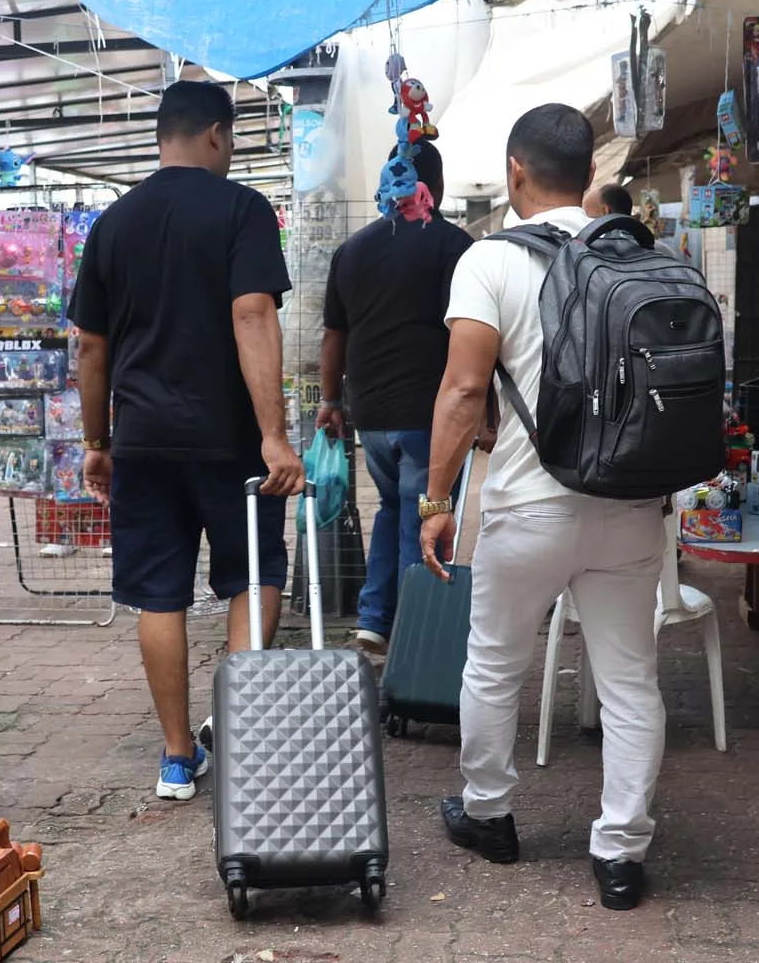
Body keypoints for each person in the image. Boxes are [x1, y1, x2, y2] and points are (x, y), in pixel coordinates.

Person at [419, 104, 667, 911]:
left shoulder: (489, 262)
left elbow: (462, 391)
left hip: (528, 507)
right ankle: (621, 853)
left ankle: (489, 815)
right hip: (628, 504)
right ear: (589, 173)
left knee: (494, 666)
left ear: (515, 171)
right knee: (629, 683)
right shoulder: (635, 257)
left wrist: (434, 499)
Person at [69, 80, 303, 802]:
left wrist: (97, 441)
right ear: (216, 136)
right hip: (229, 438)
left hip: (141, 439)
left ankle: (176, 759)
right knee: (255, 575)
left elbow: (89, 349)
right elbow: (253, 313)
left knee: (159, 597)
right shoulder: (241, 209)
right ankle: (239, 735)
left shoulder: (113, 223)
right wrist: (273, 435)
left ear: (158, 137)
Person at [316, 141, 476, 656]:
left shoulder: (353, 249)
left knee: (392, 508)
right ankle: (414, 638)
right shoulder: (454, 247)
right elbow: (472, 336)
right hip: (427, 415)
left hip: (371, 415)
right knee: (422, 513)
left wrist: (330, 401)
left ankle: (373, 619)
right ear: (438, 184)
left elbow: (333, 335)